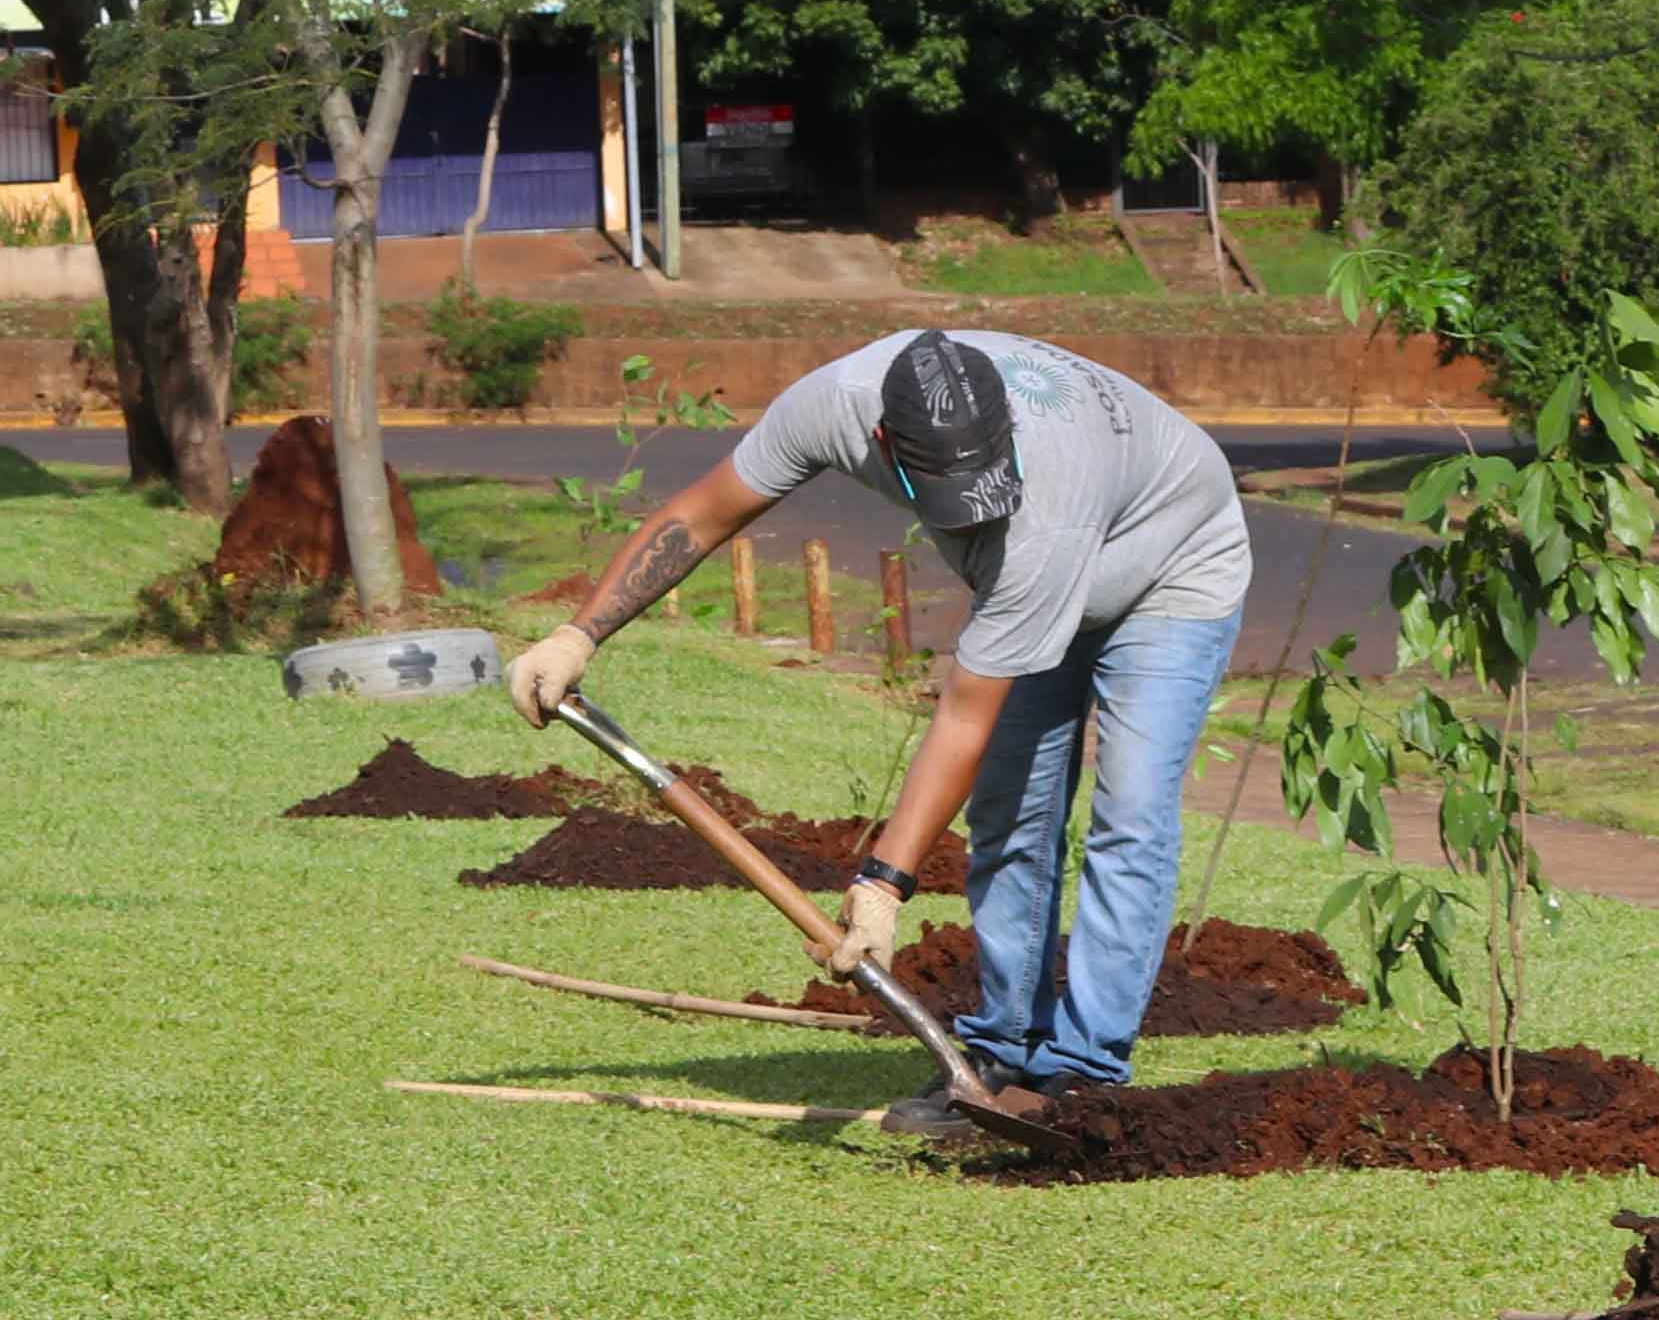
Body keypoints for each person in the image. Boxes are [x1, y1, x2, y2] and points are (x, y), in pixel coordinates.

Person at [509, 328, 1259, 1138]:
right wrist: (579, 635)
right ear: (881, 441)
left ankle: (1085, 1070)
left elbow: (965, 712)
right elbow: (704, 513)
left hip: (1174, 567)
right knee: (1012, 807)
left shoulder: (1046, 500)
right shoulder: (828, 406)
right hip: (1043, 574)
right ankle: (1001, 1051)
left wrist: (880, 885)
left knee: (1134, 809)